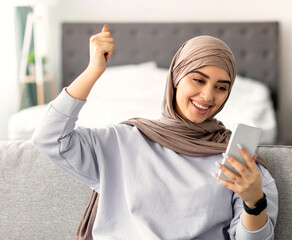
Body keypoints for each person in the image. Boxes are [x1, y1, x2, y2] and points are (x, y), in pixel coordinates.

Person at [32, 24, 278, 239]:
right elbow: (50, 138)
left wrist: (254, 200)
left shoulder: (239, 163)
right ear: (176, 78)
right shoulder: (121, 141)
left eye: (221, 87)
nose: (208, 96)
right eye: (198, 80)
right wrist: (93, 71)